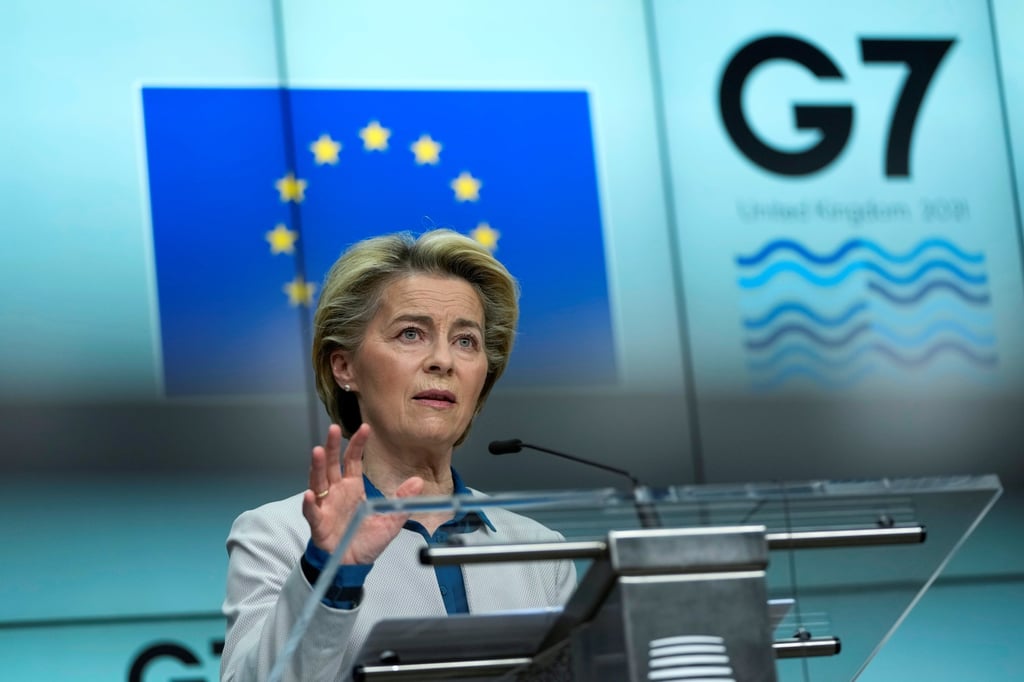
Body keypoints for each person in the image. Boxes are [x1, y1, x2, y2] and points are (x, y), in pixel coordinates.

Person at [220, 230, 577, 681]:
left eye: (466, 341)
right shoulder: (279, 536)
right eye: (411, 333)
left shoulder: (540, 549)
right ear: (345, 367)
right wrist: (331, 573)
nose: (443, 361)